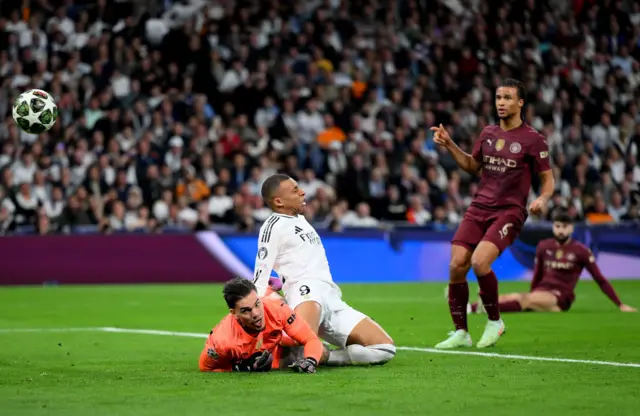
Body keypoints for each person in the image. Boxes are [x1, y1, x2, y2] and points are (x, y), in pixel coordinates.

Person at [431, 78, 555, 349]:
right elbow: (472, 166)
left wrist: (543, 198)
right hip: (478, 207)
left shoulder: (533, 140)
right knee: (456, 266)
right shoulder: (487, 134)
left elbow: (548, 179)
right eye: (499, 97)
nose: (501, 102)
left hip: (509, 211)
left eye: (508, 98)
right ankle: (461, 332)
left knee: (479, 262)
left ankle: (495, 321)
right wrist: (450, 144)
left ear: (520, 103)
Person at [253, 174, 396, 366]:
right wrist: (256, 311)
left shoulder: (300, 220)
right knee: (300, 341)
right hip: (305, 293)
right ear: (278, 201)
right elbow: (261, 274)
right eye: (295, 190)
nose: (302, 192)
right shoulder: (273, 226)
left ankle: (327, 356)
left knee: (385, 349)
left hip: (332, 297)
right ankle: (270, 345)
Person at [470, 209, 637, 314]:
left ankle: (485, 310)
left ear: (571, 228)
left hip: (559, 297)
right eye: (558, 226)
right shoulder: (544, 246)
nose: (561, 230)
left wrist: (620, 304)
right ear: (553, 227)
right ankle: (471, 308)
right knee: (512, 296)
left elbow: (599, 279)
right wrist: (533, 291)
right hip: (541, 291)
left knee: (524, 300)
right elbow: (538, 273)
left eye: (565, 227)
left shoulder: (581, 251)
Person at [199, 277, 324, 373]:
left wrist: (311, 361)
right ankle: (270, 289)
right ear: (234, 313)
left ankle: (270, 290)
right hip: (271, 355)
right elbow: (205, 367)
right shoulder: (223, 341)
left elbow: (311, 338)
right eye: (246, 310)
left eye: (257, 304)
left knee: (308, 349)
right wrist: (242, 367)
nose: (256, 314)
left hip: (275, 345)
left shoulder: (275, 309)